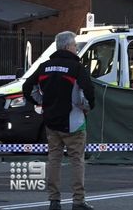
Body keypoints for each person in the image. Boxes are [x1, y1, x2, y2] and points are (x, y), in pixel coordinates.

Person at [22, 31, 95, 210]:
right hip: (74, 123)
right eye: (75, 46)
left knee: (54, 160)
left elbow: (26, 87)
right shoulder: (77, 67)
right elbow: (89, 91)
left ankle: (54, 201)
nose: (76, 49)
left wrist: (40, 101)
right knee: (77, 160)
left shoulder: (44, 66)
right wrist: (87, 106)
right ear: (68, 47)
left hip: (51, 122)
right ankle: (78, 201)